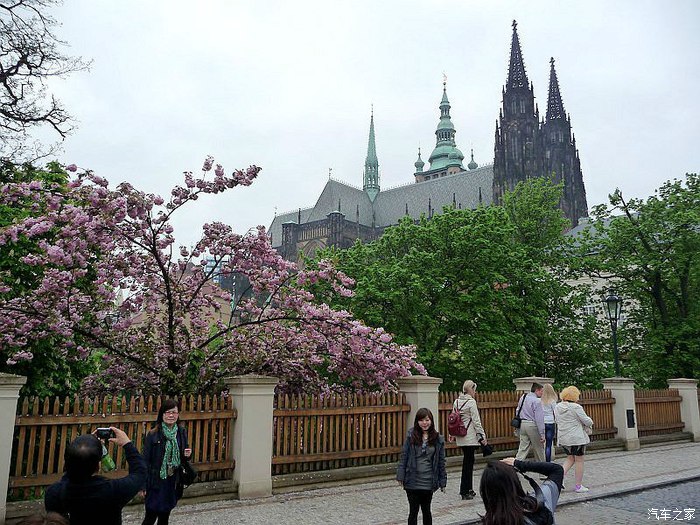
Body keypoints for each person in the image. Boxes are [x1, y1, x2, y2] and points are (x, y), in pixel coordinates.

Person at [45, 427, 146, 525]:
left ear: (67, 461)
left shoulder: (54, 493)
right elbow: (140, 472)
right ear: (98, 465)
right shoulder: (114, 490)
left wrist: (84, 448)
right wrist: (127, 444)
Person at [141, 399, 192, 525]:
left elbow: (184, 457)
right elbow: (145, 461)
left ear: (178, 414)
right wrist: (143, 485)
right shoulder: (153, 434)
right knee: (150, 516)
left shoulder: (181, 432)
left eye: (174, 412)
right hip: (155, 481)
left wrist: (187, 455)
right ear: (162, 414)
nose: (171, 415)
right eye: (168, 412)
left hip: (172, 480)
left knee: (164, 516)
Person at [396, 407, 447, 525]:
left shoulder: (438, 439)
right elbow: (404, 456)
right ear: (417, 421)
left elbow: (441, 462)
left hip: (428, 481)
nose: (424, 423)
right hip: (412, 480)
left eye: (427, 420)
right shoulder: (411, 436)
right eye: (421, 420)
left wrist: (442, 481)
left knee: (426, 510)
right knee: (413, 511)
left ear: (431, 421)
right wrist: (400, 475)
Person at [479, 457, 564, 525]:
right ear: (516, 483)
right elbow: (557, 470)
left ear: (486, 494)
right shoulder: (538, 504)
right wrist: (519, 464)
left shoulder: (492, 521)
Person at [452, 379, 487, 500]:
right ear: (471, 389)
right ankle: (465, 490)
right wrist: (482, 436)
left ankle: (468, 489)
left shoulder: (456, 401)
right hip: (470, 437)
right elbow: (476, 421)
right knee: (468, 464)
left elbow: (453, 419)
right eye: (474, 390)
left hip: (460, 436)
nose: (475, 392)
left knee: (467, 462)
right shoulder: (471, 402)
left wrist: (452, 434)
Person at [556, 385, 594, 493]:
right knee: (579, 460)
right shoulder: (576, 407)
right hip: (576, 438)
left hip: (564, 437)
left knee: (570, 458)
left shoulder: (557, 407)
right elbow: (587, 421)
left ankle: (559, 479)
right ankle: (578, 486)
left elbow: (556, 420)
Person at [515, 383, 545, 462]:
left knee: (523, 448)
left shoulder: (523, 397)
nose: (542, 393)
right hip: (532, 425)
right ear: (537, 390)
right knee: (539, 449)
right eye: (542, 391)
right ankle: (543, 466)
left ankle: (516, 464)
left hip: (523, 423)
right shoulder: (537, 401)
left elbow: (517, 410)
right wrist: (542, 434)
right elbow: (539, 418)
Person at [540, 384, 558, 462]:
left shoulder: (540, 401)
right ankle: (548, 461)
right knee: (549, 444)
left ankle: (541, 459)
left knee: (541, 443)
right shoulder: (552, 401)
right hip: (550, 422)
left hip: (542, 422)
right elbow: (556, 412)